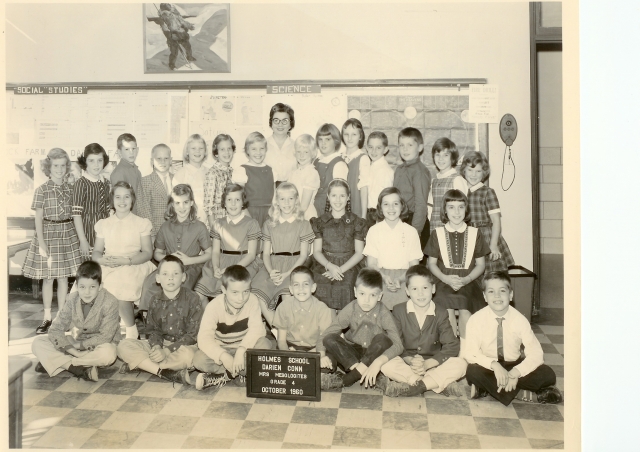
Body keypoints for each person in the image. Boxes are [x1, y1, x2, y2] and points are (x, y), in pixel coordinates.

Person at [465, 271, 563, 406]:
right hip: (489, 366)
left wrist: (516, 373)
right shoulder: (475, 319)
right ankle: (522, 394)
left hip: (513, 364)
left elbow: (536, 353)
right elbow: (470, 353)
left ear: (511, 295)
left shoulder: (520, 320)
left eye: (502, 291)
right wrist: (494, 365)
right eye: (491, 291)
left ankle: (487, 388)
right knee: (472, 371)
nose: (497, 296)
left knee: (547, 374)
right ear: (485, 296)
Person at [377, 265, 467, 397]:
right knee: (386, 363)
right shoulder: (398, 310)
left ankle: (416, 385)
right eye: (414, 289)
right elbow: (395, 342)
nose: (420, 294)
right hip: (408, 363)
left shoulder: (441, 312)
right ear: (407, 291)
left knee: (461, 364)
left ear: (433, 289)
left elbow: (452, 345)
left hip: (433, 363)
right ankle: (433, 383)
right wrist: (410, 360)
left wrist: (428, 364)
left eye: (425, 288)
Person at [23, 148, 82, 334]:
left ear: (67, 167)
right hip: (48, 234)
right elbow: (38, 219)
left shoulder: (71, 189)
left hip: (67, 233)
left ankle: (61, 317)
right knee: (48, 278)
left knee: (63, 278)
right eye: (56, 166)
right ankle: (47, 317)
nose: (59, 169)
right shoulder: (42, 190)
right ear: (49, 167)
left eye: (63, 165)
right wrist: (41, 243)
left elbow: (75, 214)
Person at [117, 255, 202, 384]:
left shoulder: (193, 298)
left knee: (190, 357)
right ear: (158, 278)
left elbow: (192, 335)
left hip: (183, 347)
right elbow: (153, 330)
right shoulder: (154, 300)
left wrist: (167, 351)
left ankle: (143, 365)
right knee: (123, 346)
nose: (170, 277)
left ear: (183, 277)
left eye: (175, 273)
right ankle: (164, 372)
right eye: (165, 274)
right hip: (162, 344)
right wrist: (157, 347)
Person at [424, 189, 489, 353]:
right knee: (446, 309)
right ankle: (452, 348)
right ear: (445, 210)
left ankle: (466, 351)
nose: (456, 212)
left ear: (466, 209)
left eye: (461, 207)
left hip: (469, 280)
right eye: (451, 207)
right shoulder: (437, 234)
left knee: (465, 309)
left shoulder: (475, 233)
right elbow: (431, 264)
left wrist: (466, 280)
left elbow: (480, 265)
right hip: (443, 280)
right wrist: (445, 279)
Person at [31, 261, 119, 381]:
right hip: (77, 346)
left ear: (101, 286)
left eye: (92, 287)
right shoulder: (72, 299)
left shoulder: (110, 302)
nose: (87, 292)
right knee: (38, 342)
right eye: (82, 287)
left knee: (108, 355)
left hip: (101, 345)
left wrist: (78, 346)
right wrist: (76, 352)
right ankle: (77, 368)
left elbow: (106, 336)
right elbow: (55, 329)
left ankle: (59, 363)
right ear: (77, 286)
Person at [317, 268, 403, 390]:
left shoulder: (384, 313)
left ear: (380, 296)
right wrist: (321, 355)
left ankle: (346, 380)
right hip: (352, 355)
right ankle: (367, 374)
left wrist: (378, 363)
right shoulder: (350, 309)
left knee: (383, 339)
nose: (366, 300)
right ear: (355, 292)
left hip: (374, 354)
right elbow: (326, 334)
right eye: (362, 294)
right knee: (330, 339)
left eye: (372, 295)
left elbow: (398, 345)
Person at [192, 265, 273, 390]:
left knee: (265, 345)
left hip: (245, 349)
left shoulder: (252, 300)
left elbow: (257, 330)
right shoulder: (213, 306)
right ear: (223, 290)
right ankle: (243, 373)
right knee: (198, 359)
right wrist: (223, 355)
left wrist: (241, 350)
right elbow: (203, 338)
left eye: (246, 291)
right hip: (223, 348)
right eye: (235, 292)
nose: (241, 298)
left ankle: (225, 375)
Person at [93, 181, 156, 339]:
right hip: (110, 264)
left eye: (126, 197)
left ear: (132, 199)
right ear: (112, 200)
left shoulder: (141, 223)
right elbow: (96, 252)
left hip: (133, 263)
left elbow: (148, 252)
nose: (122, 201)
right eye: (118, 197)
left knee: (121, 283)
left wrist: (127, 261)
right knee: (88, 284)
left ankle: (131, 330)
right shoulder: (104, 224)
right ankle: (100, 329)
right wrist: (103, 261)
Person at [139, 184, 212, 314]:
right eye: (177, 203)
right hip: (168, 266)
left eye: (185, 202)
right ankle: (152, 323)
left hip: (191, 268)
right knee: (150, 285)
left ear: (191, 203)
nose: (182, 207)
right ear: (172, 204)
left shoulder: (199, 227)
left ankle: (180, 323)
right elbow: (157, 253)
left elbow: (209, 253)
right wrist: (168, 258)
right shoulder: (165, 227)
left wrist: (189, 260)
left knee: (181, 287)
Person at [251, 183, 314, 318]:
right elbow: (266, 253)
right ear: (277, 202)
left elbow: (304, 255)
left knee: (287, 295)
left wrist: (286, 274)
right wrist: (271, 271)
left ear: (296, 201)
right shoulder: (269, 223)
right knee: (257, 292)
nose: (286, 203)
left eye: (290, 199)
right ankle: (276, 330)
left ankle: (290, 331)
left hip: (295, 265)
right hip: (273, 265)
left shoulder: (303, 223)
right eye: (282, 199)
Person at [194, 184, 260, 303]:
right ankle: (211, 320)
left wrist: (231, 269)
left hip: (243, 263)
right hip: (221, 262)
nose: (233, 204)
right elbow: (215, 251)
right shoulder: (218, 223)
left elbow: (251, 255)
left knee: (233, 292)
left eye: (237, 200)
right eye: (229, 200)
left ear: (243, 203)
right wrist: (215, 268)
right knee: (199, 295)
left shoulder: (251, 223)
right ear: (224, 203)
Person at [309, 179, 368, 311]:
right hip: (325, 263)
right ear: (328, 197)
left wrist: (340, 270)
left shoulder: (356, 222)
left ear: (348, 198)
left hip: (349, 265)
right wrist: (330, 266)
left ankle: (344, 328)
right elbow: (317, 251)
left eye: (342, 195)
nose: (338, 199)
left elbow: (359, 253)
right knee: (321, 286)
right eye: (334, 195)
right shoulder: (320, 222)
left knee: (347, 287)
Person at [363, 187, 423, 310]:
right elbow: (372, 264)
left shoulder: (411, 232)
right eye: (386, 204)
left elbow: (414, 266)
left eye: (395, 204)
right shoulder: (374, 231)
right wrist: (384, 277)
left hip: (405, 277)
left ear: (402, 206)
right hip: (380, 276)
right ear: (380, 208)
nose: (391, 208)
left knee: (404, 312)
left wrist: (400, 280)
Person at [461, 151, 515, 273]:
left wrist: (493, 244)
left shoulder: (487, 192)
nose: (474, 175)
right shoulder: (461, 192)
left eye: (478, 171)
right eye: (470, 170)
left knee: (490, 275)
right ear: (464, 170)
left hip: (485, 237)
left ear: (484, 172)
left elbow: (496, 221)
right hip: (467, 236)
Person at [273, 266, 334, 351]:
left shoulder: (322, 309)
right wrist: (288, 355)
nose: (301, 288)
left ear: (313, 288)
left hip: (315, 348)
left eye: (305, 284)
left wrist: (306, 356)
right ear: (291, 289)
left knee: (329, 360)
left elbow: (324, 342)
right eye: (296, 284)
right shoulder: (283, 307)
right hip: (289, 347)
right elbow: (281, 340)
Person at [393, 127, 431, 249]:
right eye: (401, 145)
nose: (405, 149)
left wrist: (415, 232)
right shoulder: (399, 169)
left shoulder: (419, 172)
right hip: (399, 220)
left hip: (414, 222)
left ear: (420, 148)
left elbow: (421, 205)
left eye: (410, 145)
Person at [72, 143, 111, 261]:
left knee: (102, 269)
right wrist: (83, 240)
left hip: (104, 234)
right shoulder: (81, 184)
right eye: (91, 161)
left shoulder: (105, 182)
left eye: (100, 160)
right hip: (88, 234)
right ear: (85, 162)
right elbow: (76, 214)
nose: (96, 164)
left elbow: (108, 211)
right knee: (88, 270)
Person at [232, 132, 275, 228]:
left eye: (262, 148)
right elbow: (239, 197)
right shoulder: (242, 170)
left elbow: (274, 194)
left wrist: (273, 211)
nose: (258, 152)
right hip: (249, 212)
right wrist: (247, 215)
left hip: (269, 213)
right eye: (254, 149)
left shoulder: (271, 170)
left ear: (266, 149)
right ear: (247, 151)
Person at [427, 138, 467, 232]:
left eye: (445, 155)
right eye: (437, 155)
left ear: (452, 158)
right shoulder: (435, 181)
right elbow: (430, 206)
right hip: (435, 228)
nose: (441, 159)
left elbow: (463, 207)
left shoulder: (457, 179)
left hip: (452, 229)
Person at [139, 144, 174, 243]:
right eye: (158, 158)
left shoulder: (177, 179)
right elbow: (144, 211)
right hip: (156, 234)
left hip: (176, 233)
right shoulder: (145, 181)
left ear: (171, 160)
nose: (162, 162)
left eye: (166, 158)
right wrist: (152, 236)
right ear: (152, 161)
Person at [313, 123, 349, 216]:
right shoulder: (317, 160)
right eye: (320, 139)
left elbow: (339, 194)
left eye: (328, 139)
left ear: (336, 141)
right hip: (314, 207)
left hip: (328, 210)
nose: (323, 143)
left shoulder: (339, 164)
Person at [173, 134, 209, 225]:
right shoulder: (180, 174)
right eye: (193, 148)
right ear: (187, 151)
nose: (197, 151)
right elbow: (176, 201)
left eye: (201, 148)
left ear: (205, 152)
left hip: (208, 221)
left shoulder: (209, 172)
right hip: (188, 221)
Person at [203, 134, 235, 228]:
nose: (227, 152)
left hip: (231, 220)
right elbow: (208, 205)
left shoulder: (233, 172)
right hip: (217, 222)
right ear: (216, 153)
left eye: (229, 148)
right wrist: (214, 228)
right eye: (222, 149)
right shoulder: (212, 173)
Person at [341, 119, 370, 218]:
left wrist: (363, 216)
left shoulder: (363, 158)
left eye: (354, 134)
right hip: (340, 209)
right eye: (346, 134)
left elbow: (364, 189)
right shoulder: (339, 158)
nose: (349, 138)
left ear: (360, 136)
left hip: (355, 208)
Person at [110, 133, 144, 217]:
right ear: (119, 152)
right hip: (126, 218)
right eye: (126, 149)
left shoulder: (137, 170)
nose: (131, 152)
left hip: (137, 217)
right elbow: (120, 203)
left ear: (138, 150)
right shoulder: (119, 173)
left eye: (133, 148)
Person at [288, 134, 321, 220]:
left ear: (313, 153)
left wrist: (292, 218)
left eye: (306, 152)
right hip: (293, 211)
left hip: (305, 214)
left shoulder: (311, 173)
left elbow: (303, 206)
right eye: (299, 152)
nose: (301, 155)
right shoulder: (294, 173)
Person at [365, 131, 394, 226]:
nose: (373, 151)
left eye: (378, 148)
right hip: (368, 213)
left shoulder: (386, 171)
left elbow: (386, 199)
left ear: (385, 149)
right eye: (371, 147)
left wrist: (380, 219)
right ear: (366, 148)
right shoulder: (370, 166)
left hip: (377, 215)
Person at [265, 103, 297, 185]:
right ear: (271, 123)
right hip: (267, 190)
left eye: (284, 121)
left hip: (290, 192)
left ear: (290, 124)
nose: (280, 124)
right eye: (276, 120)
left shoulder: (297, 146)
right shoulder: (262, 145)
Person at [158, 2, 196, 71]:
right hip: (173, 36)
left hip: (182, 34)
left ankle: (189, 57)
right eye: (168, 6)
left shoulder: (175, 14)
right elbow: (165, 29)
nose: (170, 6)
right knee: (174, 52)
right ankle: (172, 65)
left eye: (169, 5)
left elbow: (182, 22)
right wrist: (170, 36)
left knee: (188, 46)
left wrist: (189, 26)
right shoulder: (162, 18)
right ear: (164, 8)